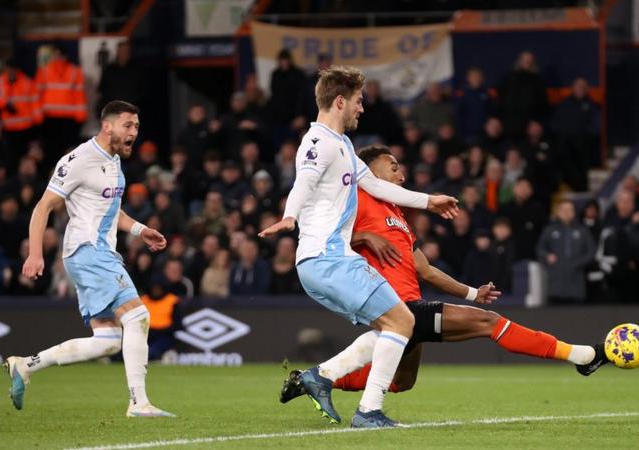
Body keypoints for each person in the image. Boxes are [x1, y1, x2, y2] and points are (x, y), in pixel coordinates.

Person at [279, 145, 609, 409]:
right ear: (369, 170)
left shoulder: (397, 215)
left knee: (402, 382)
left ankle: (313, 378)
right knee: (489, 323)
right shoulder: (356, 200)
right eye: (393, 166)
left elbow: (424, 269)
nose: (401, 173)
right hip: (397, 305)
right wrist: (362, 238)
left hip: (410, 307)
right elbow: (320, 238)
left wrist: (470, 293)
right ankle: (582, 356)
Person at [258, 66, 459, 428]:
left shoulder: (344, 145)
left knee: (393, 326)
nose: (361, 108)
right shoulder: (318, 142)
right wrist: (289, 215)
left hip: (331, 260)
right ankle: (368, 411)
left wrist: (429, 201)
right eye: (358, 101)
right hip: (327, 258)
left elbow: (380, 188)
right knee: (402, 321)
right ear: (340, 101)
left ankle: (321, 377)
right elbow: (303, 180)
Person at [4, 100, 174, 417]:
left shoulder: (113, 160)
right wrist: (36, 253)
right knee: (138, 317)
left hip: (99, 252)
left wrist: (140, 230)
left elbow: (110, 208)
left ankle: (25, 365)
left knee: (109, 340)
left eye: (137, 126)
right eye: (128, 125)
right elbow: (43, 207)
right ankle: (139, 403)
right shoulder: (78, 160)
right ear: (107, 125)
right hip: (87, 250)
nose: (134, 132)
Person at [536, 200, 596, 304]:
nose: (567, 212)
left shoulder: (582, 230)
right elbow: (540, 249)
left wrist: (577, 263)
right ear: (558, 212)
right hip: (555, 282)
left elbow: (591, 252)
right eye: (564, 210)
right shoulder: (549, 230)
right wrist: (547, 256)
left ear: (574, 212)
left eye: (570, 210)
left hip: (577, 281)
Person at [35, 44, 87, 161]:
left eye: (59, 55)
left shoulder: (75, 72)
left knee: (69, 152)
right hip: (50, 119)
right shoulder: (44, 72)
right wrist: (38, 116)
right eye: (56, 55)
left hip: (69, 120)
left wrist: (81, 115)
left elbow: (79, 94)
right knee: (51, 151)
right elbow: (37, 95)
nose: (58, 58)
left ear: (65, 56)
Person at [0, 59, 42, 156]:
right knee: (7, 155)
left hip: (25, 128)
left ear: (18, 70)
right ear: (6, 69)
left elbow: (35, 105)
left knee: (24, 155)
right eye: (9, 69)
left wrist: (37, 125)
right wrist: (4, 104)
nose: (11, 71)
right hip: (6, 128)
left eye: (14, 69)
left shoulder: (28, 83)